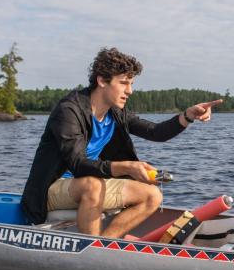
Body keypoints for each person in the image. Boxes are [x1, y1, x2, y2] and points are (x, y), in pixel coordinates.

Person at [21, 47, 222, 237]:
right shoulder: (69, 111)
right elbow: (78, 164)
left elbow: (156, 132)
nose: (130, 90)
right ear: (102, 80)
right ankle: (93, 249)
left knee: (153, 195)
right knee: (93, 185)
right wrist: (128, 168)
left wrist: (187, 116)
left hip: (90, 182)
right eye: (124, 83)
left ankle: (102, 246)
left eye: (131, 84)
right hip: (50, 190)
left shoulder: (116, 113)